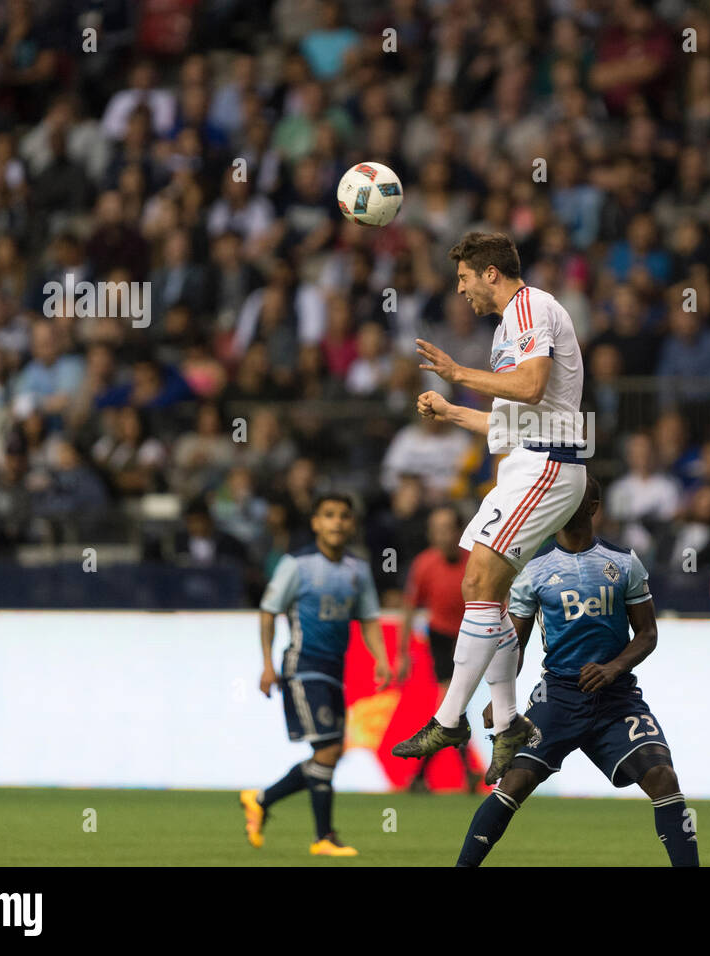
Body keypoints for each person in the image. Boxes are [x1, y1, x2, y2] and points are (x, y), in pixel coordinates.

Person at [390, 232, 587, 785]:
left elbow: (530, 385)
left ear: (490, 274)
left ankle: (450, 718)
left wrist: (458, 374)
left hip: (549, 463)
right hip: (526, 459)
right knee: (482, 592)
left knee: (478, 580)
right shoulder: (509, 326)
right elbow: (510, 422)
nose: (461, 291)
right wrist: (452, 412)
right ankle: (507, 725)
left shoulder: (532, 306)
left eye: (464, 280)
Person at [456, 477, 698, 867]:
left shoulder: (624, 562)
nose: (564, 500)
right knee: (512, 785)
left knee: (664, 779)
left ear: (594, 505)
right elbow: (513, 645)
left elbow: (648, 633)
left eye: (574, 495)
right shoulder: (532, 571)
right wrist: (501, 698)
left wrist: (614, 667)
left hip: (616, 698)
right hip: (558, 698)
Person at [239, 494, 392, 857]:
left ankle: (261, 800)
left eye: (343, 516)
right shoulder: (297, 565)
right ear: (315, 523)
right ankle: (322, 836)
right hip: (303, 666)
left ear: (351, 524)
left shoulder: (357, 569)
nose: (337, 522)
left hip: (334, 671)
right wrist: (266, 664)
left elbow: (368, 618)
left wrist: (381, 659)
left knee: (329, 753)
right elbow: (268, 611)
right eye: (328, 515)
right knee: (327, 749)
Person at [396, 505, 476, 792]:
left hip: (472, 638)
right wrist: (402, 653)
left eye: (447, 529)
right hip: (441, 639)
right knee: (450, 705)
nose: (442, 535)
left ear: (458, 531)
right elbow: (409, 608)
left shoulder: (474, 562)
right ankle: (459, 774)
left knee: (452, 707)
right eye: (437, 529)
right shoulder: (424, 565)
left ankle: (422, 776)